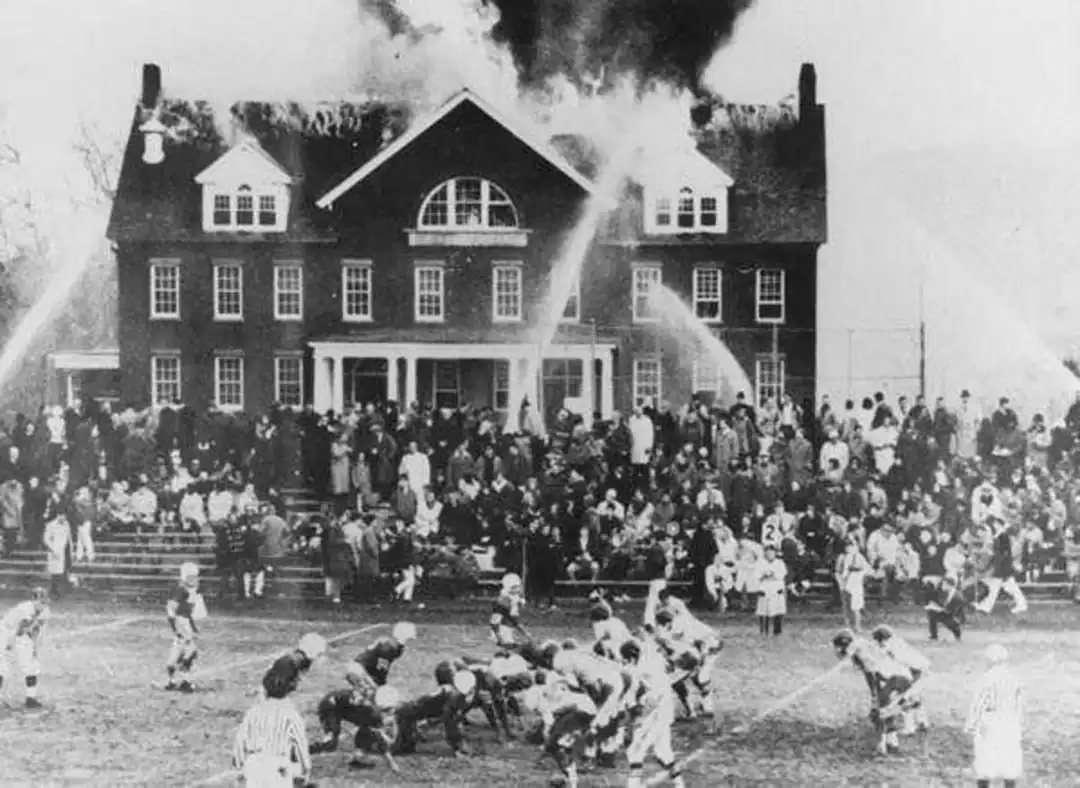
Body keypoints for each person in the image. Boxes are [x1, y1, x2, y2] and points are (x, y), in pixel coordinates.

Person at [232, 667, 313, 787]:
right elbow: (300, 746)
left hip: (253, 765)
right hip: (278, 768)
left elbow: (240, 743)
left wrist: (240, 767)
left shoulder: (253, 712)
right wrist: (304, 771)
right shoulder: (291, 715)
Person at [965, 644, 1023, 788]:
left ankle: (984, 784)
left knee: (985, 756)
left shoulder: (986, 678)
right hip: (1010, 719)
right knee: (1009, 756)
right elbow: (1020, 702)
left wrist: (971, 724)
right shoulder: (1013, 678)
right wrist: (1019, 722)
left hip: (991, 719)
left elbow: (978, 703)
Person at [0, 587, 50, 708]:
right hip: (6, 632)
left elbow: (37, 630)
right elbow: (19, 629)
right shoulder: (25, 609)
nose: (42, 604)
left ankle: (30, 699)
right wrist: (9, 644)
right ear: (33, 599)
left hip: (21, 635)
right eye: (40, 600)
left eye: (44, 601)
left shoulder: (45, 611)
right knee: (3, 667)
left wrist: (34, 647)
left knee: (31, 666)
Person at [345, 622, 417, 705]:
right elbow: (380, 671)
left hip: (358, 669)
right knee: (374, 697)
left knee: (373, 696)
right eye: (408, 639)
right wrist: (381, 688)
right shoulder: (389, 649)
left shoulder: (391, 646)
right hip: (358, 671)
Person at [165, 562, 207, 692]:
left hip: (186, 622)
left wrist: (193, 628)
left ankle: (174, 681)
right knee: (188, 652)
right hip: (181, 622)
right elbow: (171, 610)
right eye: (190, 577)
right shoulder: (181, 590)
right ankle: (182, 681)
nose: (194, 579)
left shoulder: (190, 590)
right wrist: (177, 628)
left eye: (195, 576)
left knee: (183, 652)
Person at [263, 633, 329, 696]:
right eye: (319, 655)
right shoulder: (290, 663)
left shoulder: (297, 661)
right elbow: (273, 688)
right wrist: (293, 685)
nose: (321, 658)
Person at [925, 575, 965, 642]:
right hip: (944, 612)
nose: (943, 585)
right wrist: (933, 606)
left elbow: (952, 608)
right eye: (943, 583)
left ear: (950, 585)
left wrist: (936, 607)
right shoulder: (945, 591)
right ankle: (933, 637)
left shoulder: (955, 594)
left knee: (953, 626)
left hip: (949, 614)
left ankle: (957, 636)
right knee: (931, 614)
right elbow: (940, 603)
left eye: (945, 584)